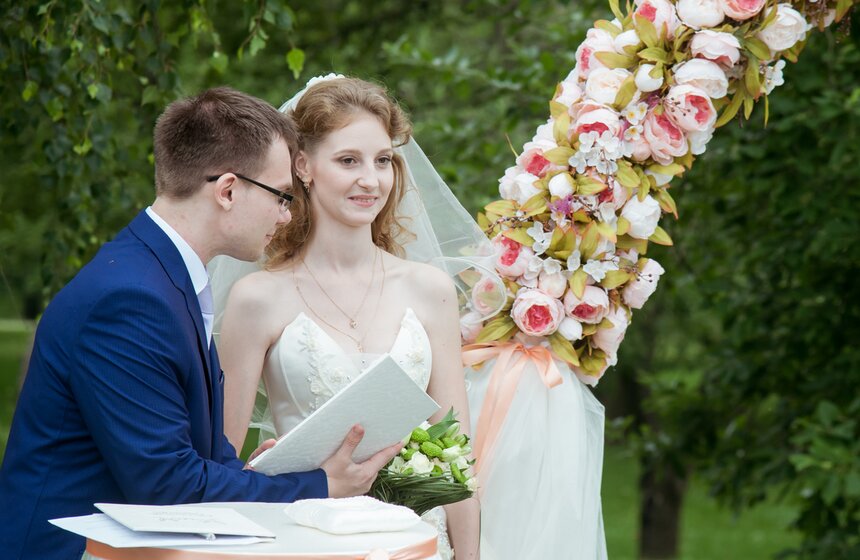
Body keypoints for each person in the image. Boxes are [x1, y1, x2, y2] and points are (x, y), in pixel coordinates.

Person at [0, 86, 401, 560]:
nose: (286, 214)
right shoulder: (131, 300)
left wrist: (256, 477)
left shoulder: (160, 272)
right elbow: (167, 484)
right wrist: (318, 484)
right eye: (281, 196)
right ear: (228, 190)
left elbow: (186, 452)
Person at [215, 77, 481, 560]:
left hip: (417, 545)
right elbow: (219, 459)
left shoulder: (430, 290)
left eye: (383, 161)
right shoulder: (257, 299)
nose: (371, 179)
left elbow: (456, 459)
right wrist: (262, 474)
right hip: (303, 540)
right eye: (348, 160)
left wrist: (469, 556)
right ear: (303, 166)